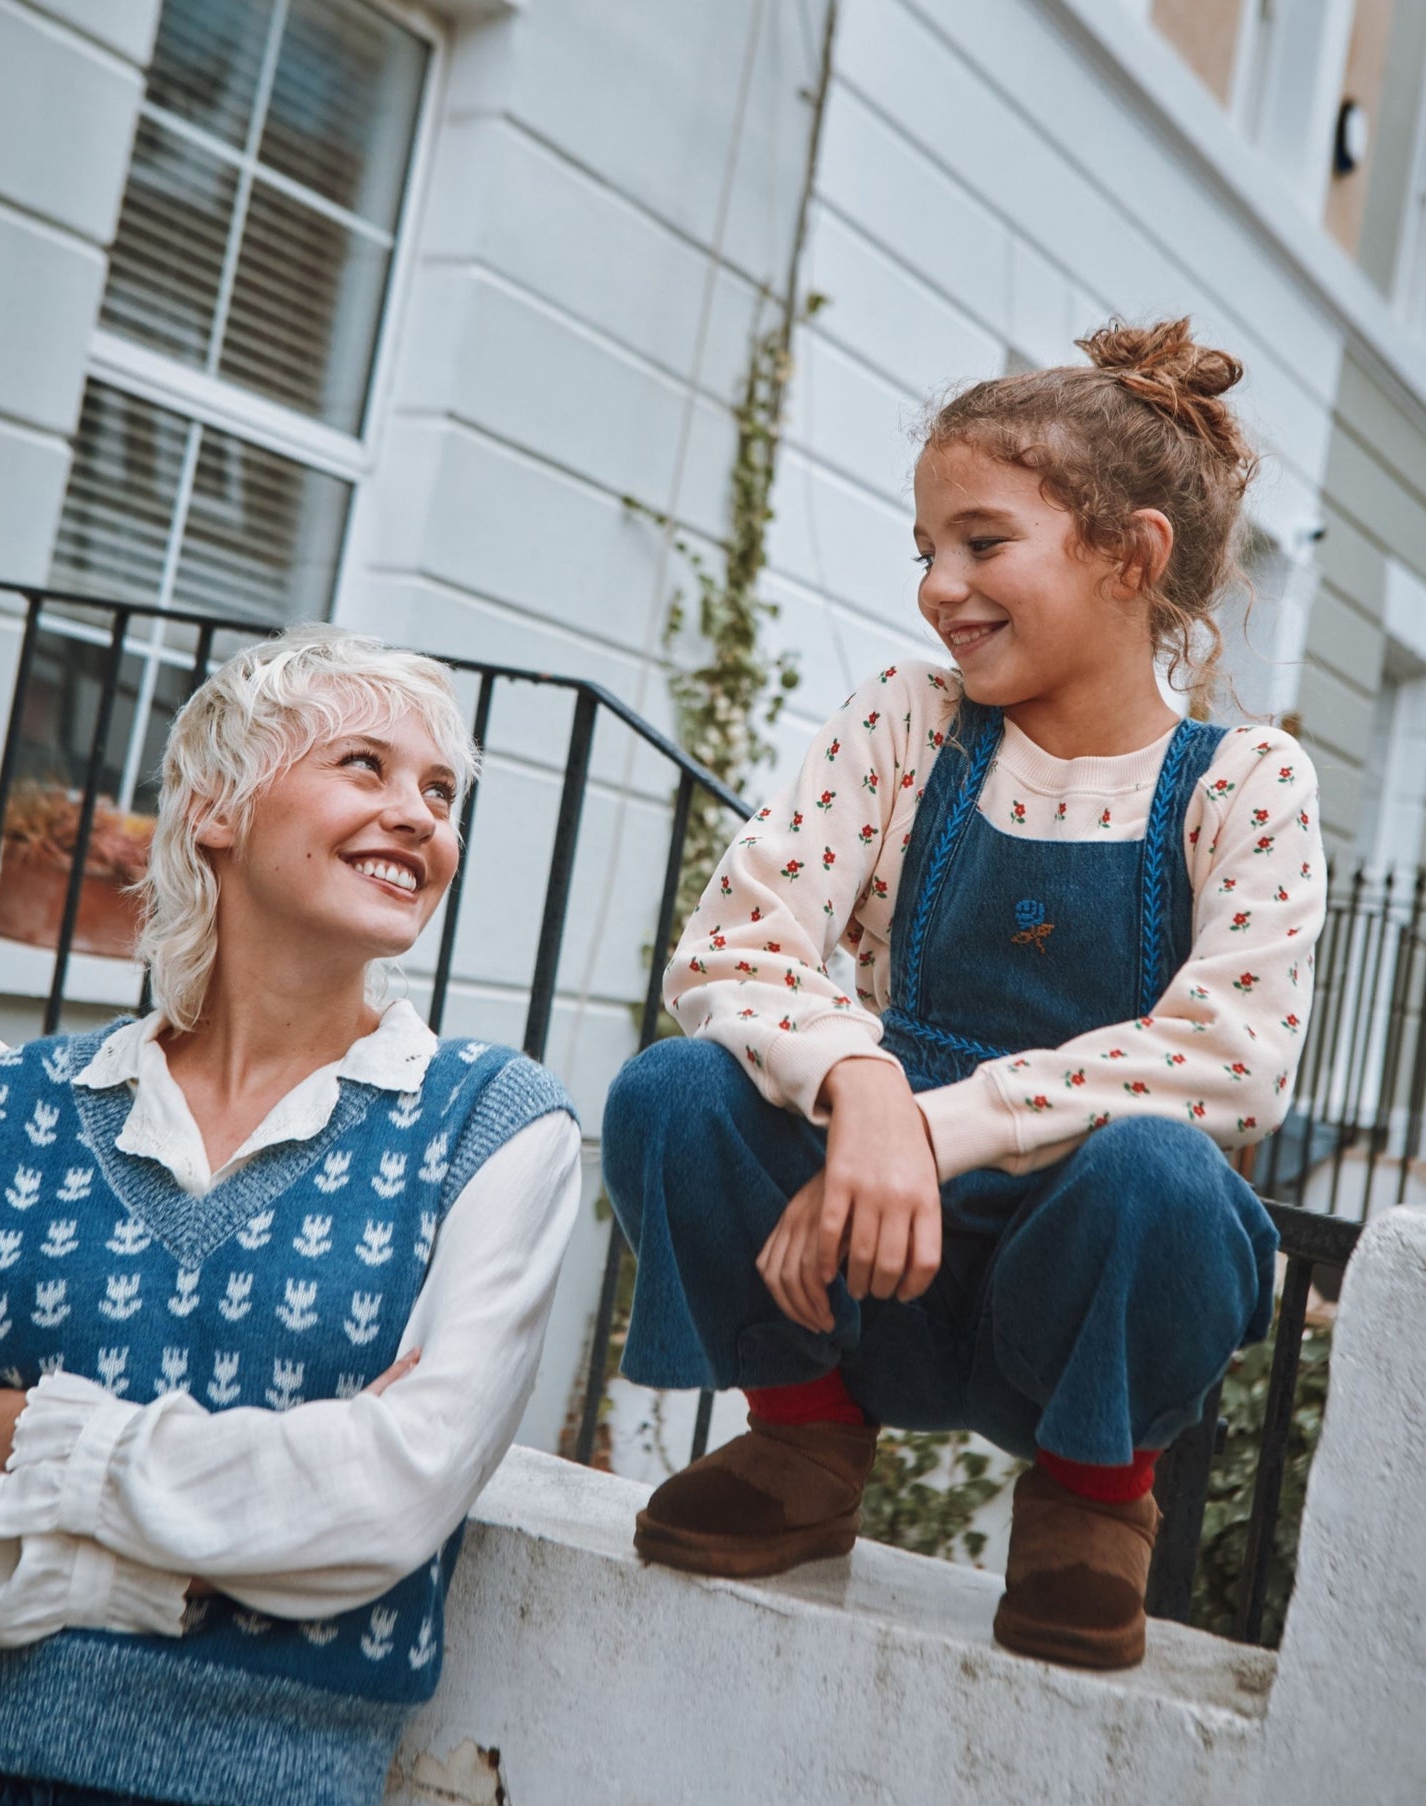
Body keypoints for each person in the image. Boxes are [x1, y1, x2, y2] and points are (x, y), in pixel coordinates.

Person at [603, 320, 1326, 1671]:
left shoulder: (1245, 784)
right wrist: (861, 1084)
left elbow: (1233, 1057)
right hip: (849, 1268)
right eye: (924, 550)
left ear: (1131, 555)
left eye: (981, 543)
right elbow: (729, 945)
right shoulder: (906, 720)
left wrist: (935, 1127)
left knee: (1167, 1176)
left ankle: (1091, 1505)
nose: (939, 585)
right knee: (674, 1089)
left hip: (1069, 1288)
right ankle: (803, 1439)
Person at [0, 628, 580, 1803]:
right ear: (215, 807)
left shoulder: (493, 1129)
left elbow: (384, 1496)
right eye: (364, 764)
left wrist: (31, 1434)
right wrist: (139, 1579)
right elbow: (328, 1480)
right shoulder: (12, 1107)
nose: (419, 815)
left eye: (442, 792)